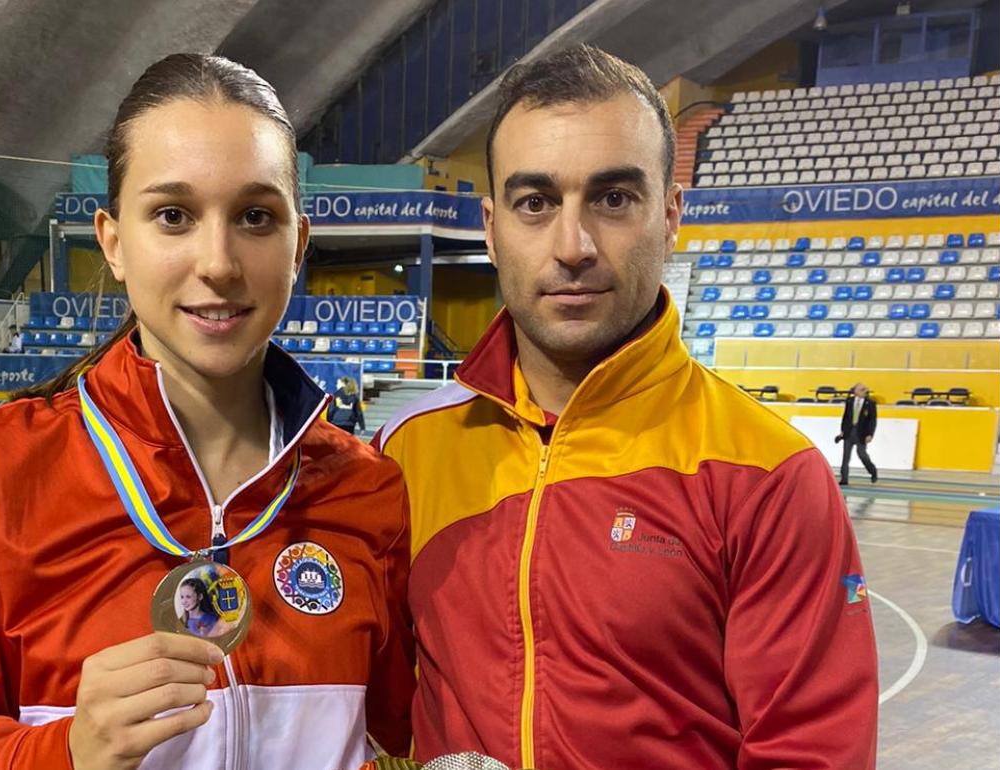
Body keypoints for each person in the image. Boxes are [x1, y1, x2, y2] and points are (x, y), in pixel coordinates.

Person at [0, 53, 414, 770]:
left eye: (255, 216)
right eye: (173, 215)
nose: (218, 261)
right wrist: (65, 753)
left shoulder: (366, 488)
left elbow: (394, 736)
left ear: (298, 245)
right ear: (115, 243)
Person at [375, 45, 877, 770]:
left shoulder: (767, 473)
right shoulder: (408, 449)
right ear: (490, 227)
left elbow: (813, 753)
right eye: (535, 202)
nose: (572, 246)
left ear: (671, 215)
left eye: (613, 199)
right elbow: (378, 709)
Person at [837, 382, 879, 486]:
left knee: (862, 454)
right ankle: (844, 478)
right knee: (846, 456)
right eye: (862, 389)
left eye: (865, 389)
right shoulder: (849, 401)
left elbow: (872, 420)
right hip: (849, 432)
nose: (865, 391)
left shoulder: (870, 403)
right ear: (855, 391)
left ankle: (872, 471)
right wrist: (842, 430)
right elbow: (845, 417)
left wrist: (870, 434)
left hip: (862, 433)